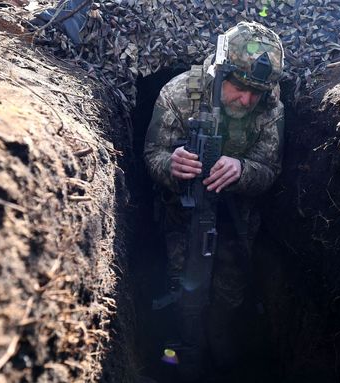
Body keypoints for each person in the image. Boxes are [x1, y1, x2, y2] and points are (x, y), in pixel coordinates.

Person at [144, 21, 285, 381]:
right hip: (184, 216)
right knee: (184, 289)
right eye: (239, 88)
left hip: (236, 219)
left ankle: (222, 355)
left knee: (230, 295)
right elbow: (151, 154)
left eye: (256, 92)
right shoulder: (179, 94)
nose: (247, 100)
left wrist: (242, 169)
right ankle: (184, 355)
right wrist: (172, 164)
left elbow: (269, 169)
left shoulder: (269, 104)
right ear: (220, 74)